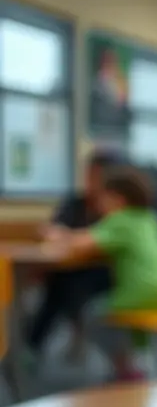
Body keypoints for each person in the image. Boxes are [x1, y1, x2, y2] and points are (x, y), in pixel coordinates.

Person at [48, 167, 157, 381]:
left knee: (91, 313)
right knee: (127, 318)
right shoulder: (150, 218)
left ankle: (124, 366)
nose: (99, 204)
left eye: (104, 198)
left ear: (118, 200)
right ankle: (141, 358)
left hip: (136, 296)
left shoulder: (120, 220)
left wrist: (57, 234)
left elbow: (82, 243)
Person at [27, 150, 121, 360]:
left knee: (63, 287)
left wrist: (67, 237)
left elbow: (89, 240)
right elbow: (52, 230)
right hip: (68, 268)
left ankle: (33, 345)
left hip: (107, 273)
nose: (91, 181)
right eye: (89, 175)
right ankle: (31, 346)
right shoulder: (75, 203)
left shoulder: (115, 208)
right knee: (57, 283)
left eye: (97, 176)